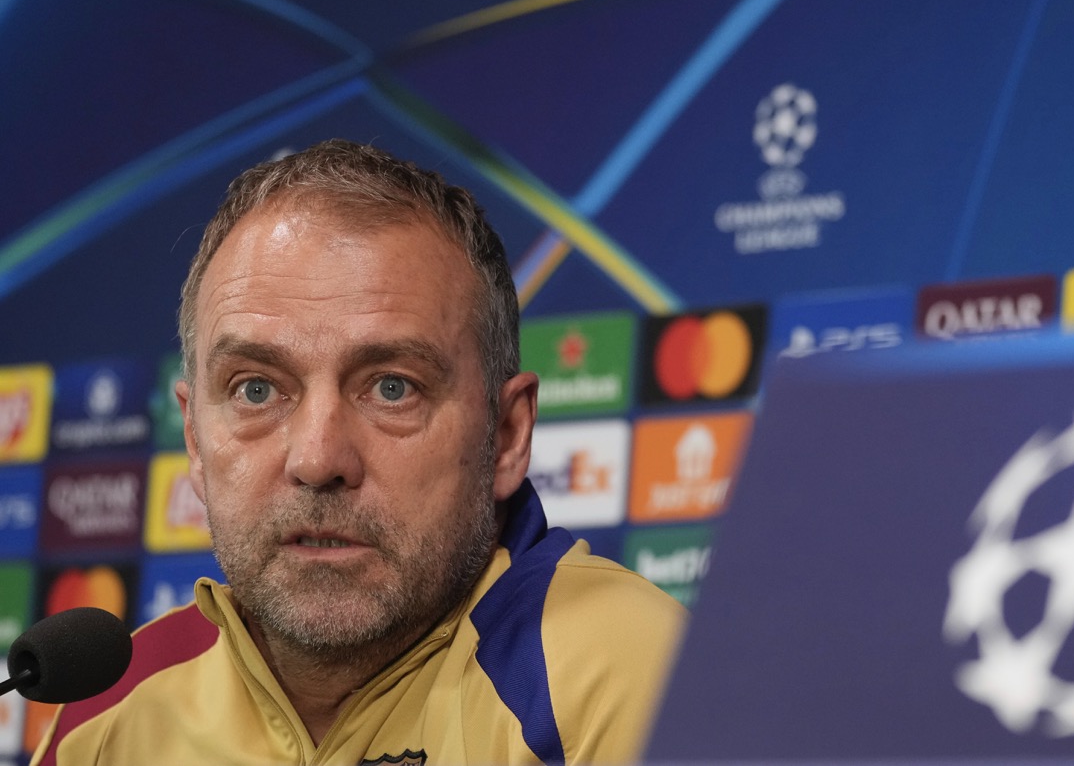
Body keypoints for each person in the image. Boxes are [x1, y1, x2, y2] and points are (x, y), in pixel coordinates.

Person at [33, 140, 687, 765]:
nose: (318, 460)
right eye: (256, 388)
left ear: (508, 436)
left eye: (391, 387)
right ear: (195, 441)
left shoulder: (630, 680)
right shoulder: (105, 715)